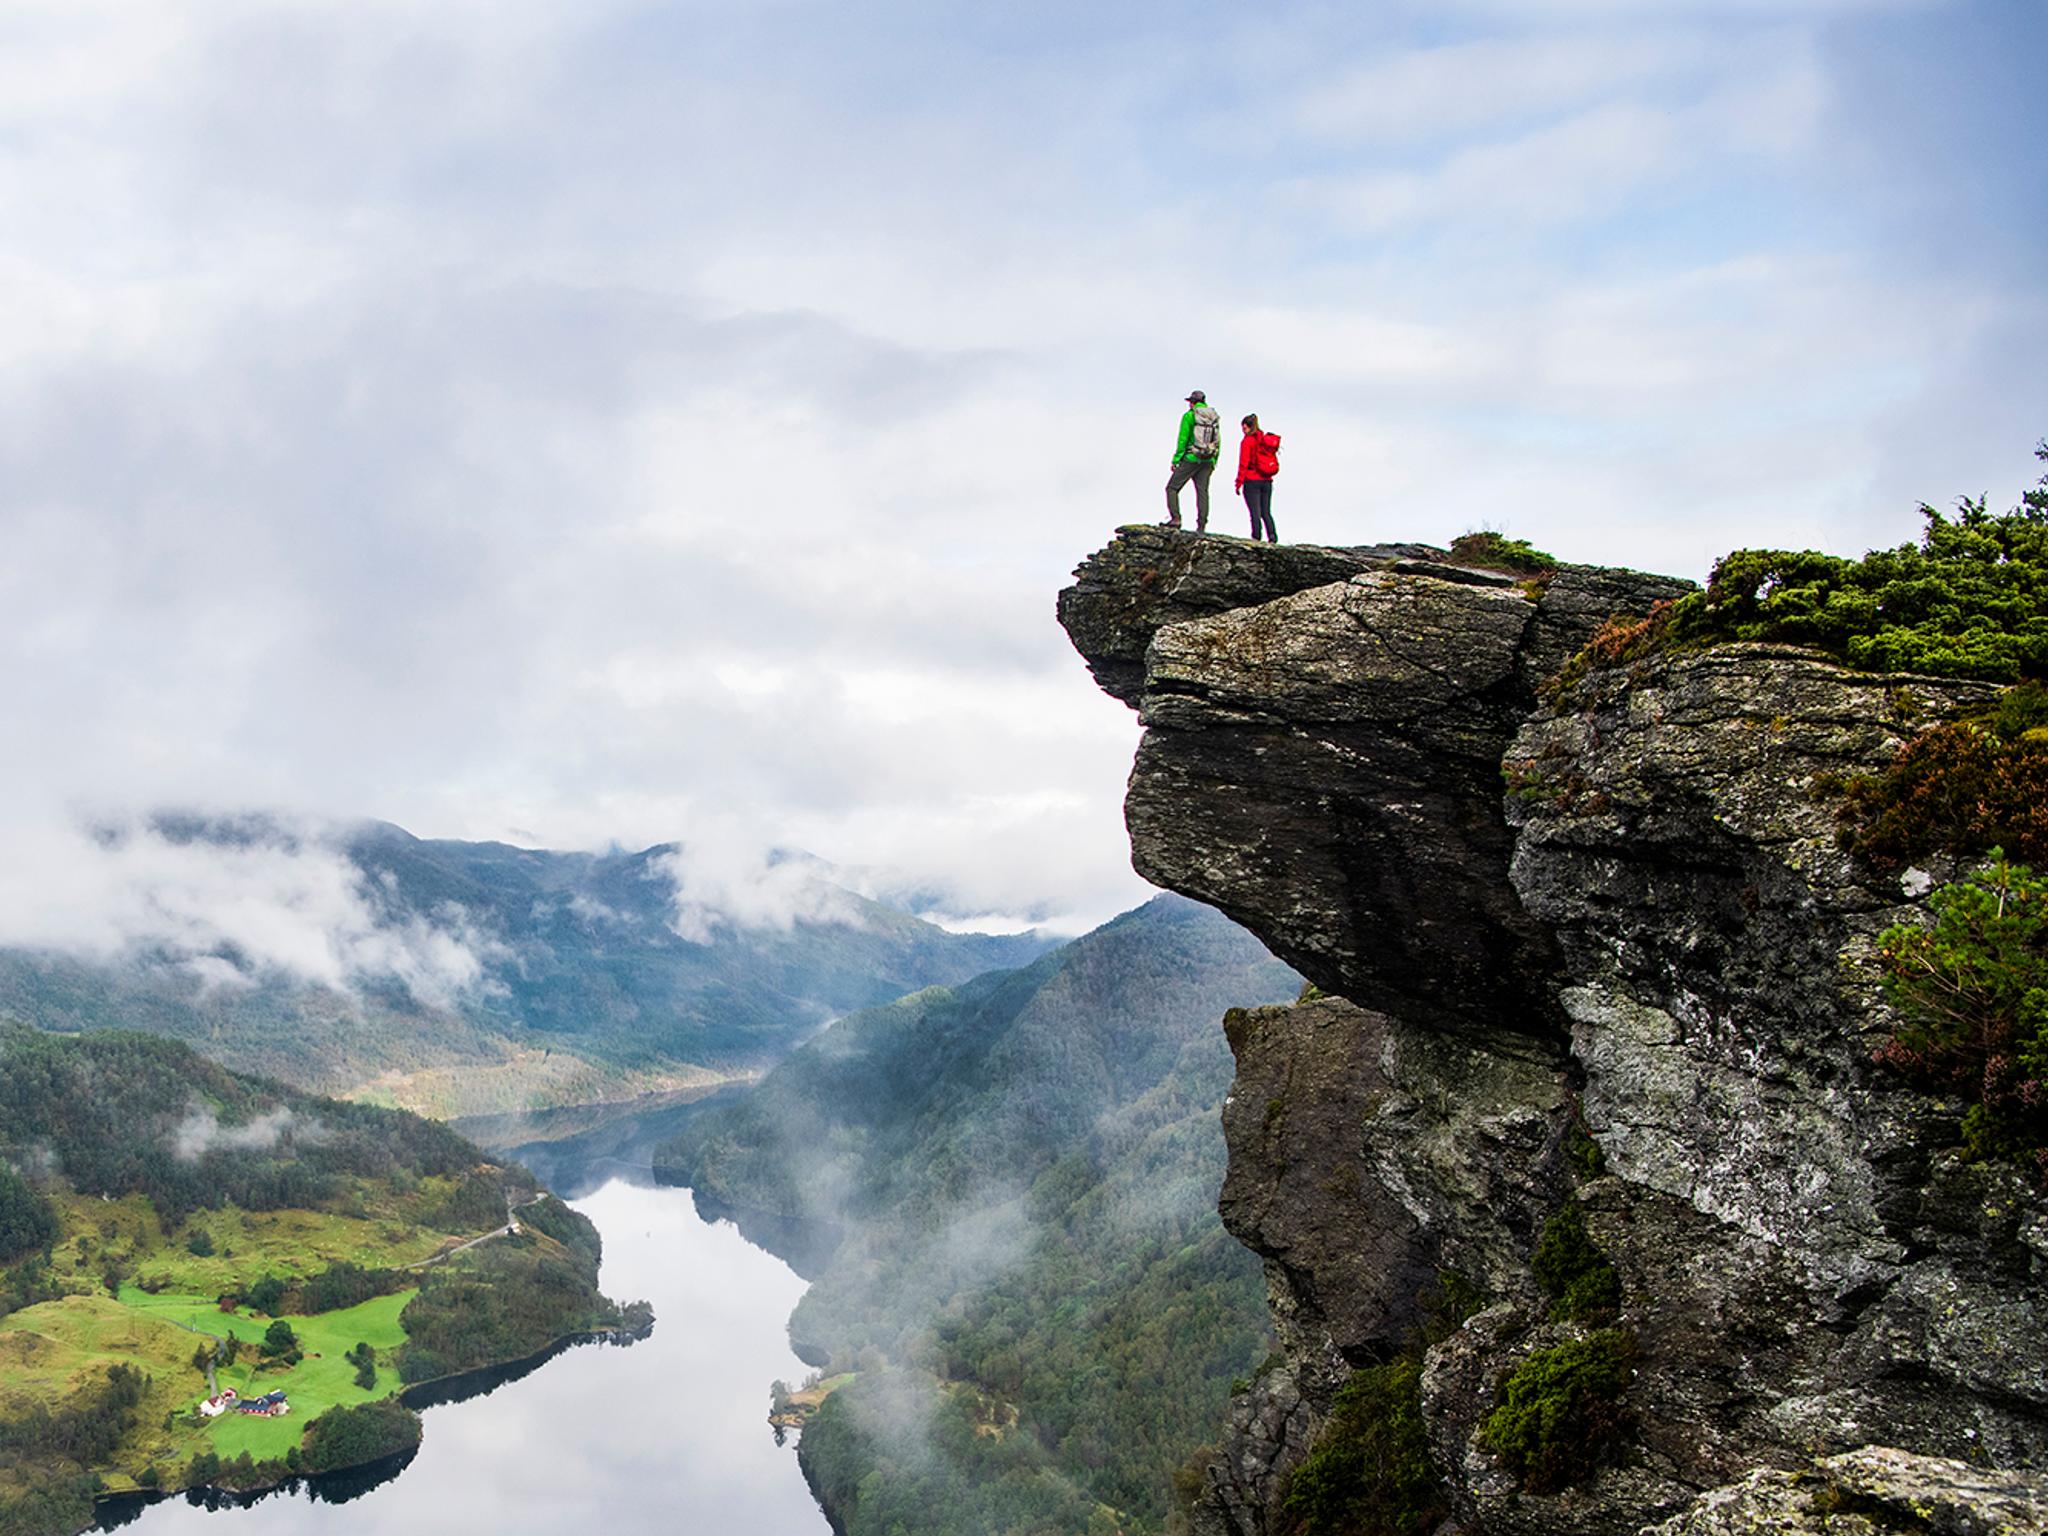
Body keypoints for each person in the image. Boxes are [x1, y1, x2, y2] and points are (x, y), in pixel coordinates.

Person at [1165, 389, 1223, 531]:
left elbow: (1182, 439)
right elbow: (1218, 440)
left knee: (1172, 488)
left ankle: (1176, 519)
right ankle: (1201, 525)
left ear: (1192, 403)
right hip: (1208, 460)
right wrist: (1214, 460)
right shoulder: (1213, 417)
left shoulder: (1189, 416)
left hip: (1191, 458)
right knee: (1202, 492)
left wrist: (1176, 459)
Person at [1234, 414, 1281, 542]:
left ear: (1246, 427)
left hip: (1252, 481)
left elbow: (1243, 463)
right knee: (1266, 511)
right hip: (1267, 481)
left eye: (1243, 427)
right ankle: (1272, 536)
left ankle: (1256, 538)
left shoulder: (1247, 442)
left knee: (1255, 512)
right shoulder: (1264, 440)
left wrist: (1239, 483)